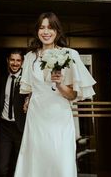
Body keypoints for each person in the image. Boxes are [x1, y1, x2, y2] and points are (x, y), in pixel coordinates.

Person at [14, 12, 96, 177]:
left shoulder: (69, 54)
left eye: (50, 28)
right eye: (42, 27)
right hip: (36, 117)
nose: (46, 32)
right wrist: (28, 99)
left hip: (59, 116)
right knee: (36, 159)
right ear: (37, 31)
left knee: (59, 159)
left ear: (57, 31)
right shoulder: (30, 57)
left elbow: (72, 95)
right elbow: (30, 88)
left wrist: (59, 84)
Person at [0, 49, 28, 177]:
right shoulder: (2, 78)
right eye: (12, 60)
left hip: (21, 128)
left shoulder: (27, 81)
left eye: (18, 60)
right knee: (2, 166)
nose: (15, 63)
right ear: (8, 61)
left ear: (22, 62)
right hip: (4, 127)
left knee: (19, 165)